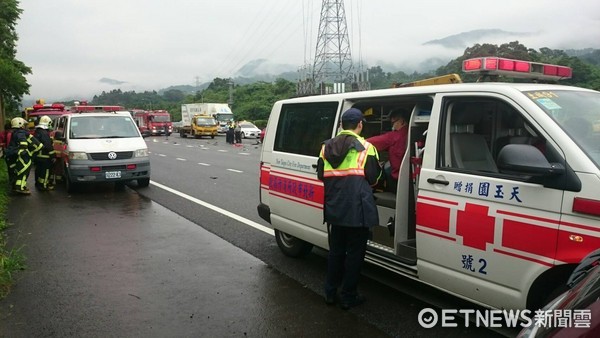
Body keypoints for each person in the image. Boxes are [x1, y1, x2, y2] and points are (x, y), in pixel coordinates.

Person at [316, 107, 381, 310]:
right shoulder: (366, 147)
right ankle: (348, 296)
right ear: (360, 124)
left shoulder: (325, 147)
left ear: (342, 125)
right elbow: (374, 178)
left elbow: (320, 174)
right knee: (354, 255)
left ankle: (329, 292)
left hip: (335, 207)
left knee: (336, 252)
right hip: (357, 209)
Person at [367, 108, 410, 192]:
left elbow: (370, 143)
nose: (392, 126)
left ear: (401, 121)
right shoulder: (412, 132)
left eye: (393, 122)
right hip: (411, 177)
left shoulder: (395, 136)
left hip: (398, 179)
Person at [6, 117, 42, 194]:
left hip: (11, 156)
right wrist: (24, 151)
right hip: (16, 155)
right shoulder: (20, 133)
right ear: (20, 124)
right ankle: (20, 188)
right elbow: (23, 142)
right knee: (22, 171)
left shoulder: (15, 132)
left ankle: (16, 186)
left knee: (15, 172)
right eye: (24, 125)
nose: (25, 127)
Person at [33, 116, 56, 191]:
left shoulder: (37, 131)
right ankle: (44, 185)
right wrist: (53, 156)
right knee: (45, 171)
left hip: (37, 156)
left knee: (39, 170)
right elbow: (48, 145)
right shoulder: (45, 133)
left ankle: (38, 184)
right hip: (45, 157)